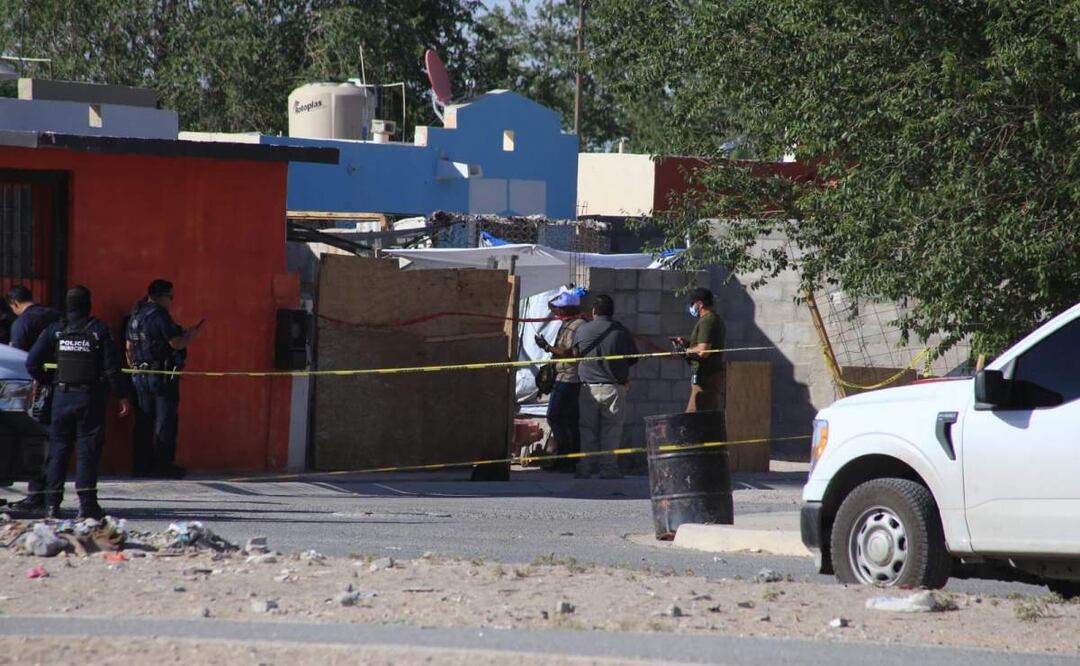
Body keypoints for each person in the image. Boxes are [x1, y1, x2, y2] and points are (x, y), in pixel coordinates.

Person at [26, 286, 131, 520]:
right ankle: (87, 505)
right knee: (87, 452)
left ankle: (52, 505)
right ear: (88, 305)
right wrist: (121, 394)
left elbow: (32, 362)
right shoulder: (98, 331)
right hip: (89, 399)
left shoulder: (56, 330)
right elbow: (111, 368)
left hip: (61, 399)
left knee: (58, 452)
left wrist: (51, 381)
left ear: (68, 305)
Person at [126, 279, 202, 479]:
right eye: (171, 297)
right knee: (165, 421)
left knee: (144, 421)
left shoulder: (137, 315)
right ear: (161, 296)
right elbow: (176, 343)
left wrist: (134, 367)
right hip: (160, 376)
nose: (172, 301)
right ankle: (163, 466)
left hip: (139, 374)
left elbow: (128, 347)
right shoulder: (160, 315)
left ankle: (141, 465)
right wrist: (191, 336)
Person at [4, 285, 61, 515]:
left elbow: (19, 360)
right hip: (61, 386)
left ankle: (35, 495)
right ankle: (48, 494)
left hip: (34, 388)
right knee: (54, 441)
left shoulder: (22, 323)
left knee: (33, 439)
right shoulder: (54, 316)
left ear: (14, 304)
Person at [572, 294, 638, 479]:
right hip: (614, 388)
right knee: (612, 430)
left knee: (587, 429)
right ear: (612, 312)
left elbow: (576, 354)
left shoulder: (582, 330)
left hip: (588, 388)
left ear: (593, 311)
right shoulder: (621, 331)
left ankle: (586, 467)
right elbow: (633, 358)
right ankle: (608, 468)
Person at [534, 287, 586, 470]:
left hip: (568, 377)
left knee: (554, 416)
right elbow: (551, 305)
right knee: (570, 419)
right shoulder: (569, 322)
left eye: (561, 308)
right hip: (564, 376)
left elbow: (569, 353)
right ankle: (572, 459)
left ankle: (564, 458)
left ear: (570, 309)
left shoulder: (577, 325)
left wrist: (547, 348)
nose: (558, 311)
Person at [672, 287, 726, 413]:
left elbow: (703, 351)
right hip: (703, 378)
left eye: (693, 303)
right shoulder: (710, 320)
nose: (691, 307)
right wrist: (686, 345)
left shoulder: (708, 321)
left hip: (706, 379)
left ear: (700, 304)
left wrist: (686, 351)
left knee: (694, 419)